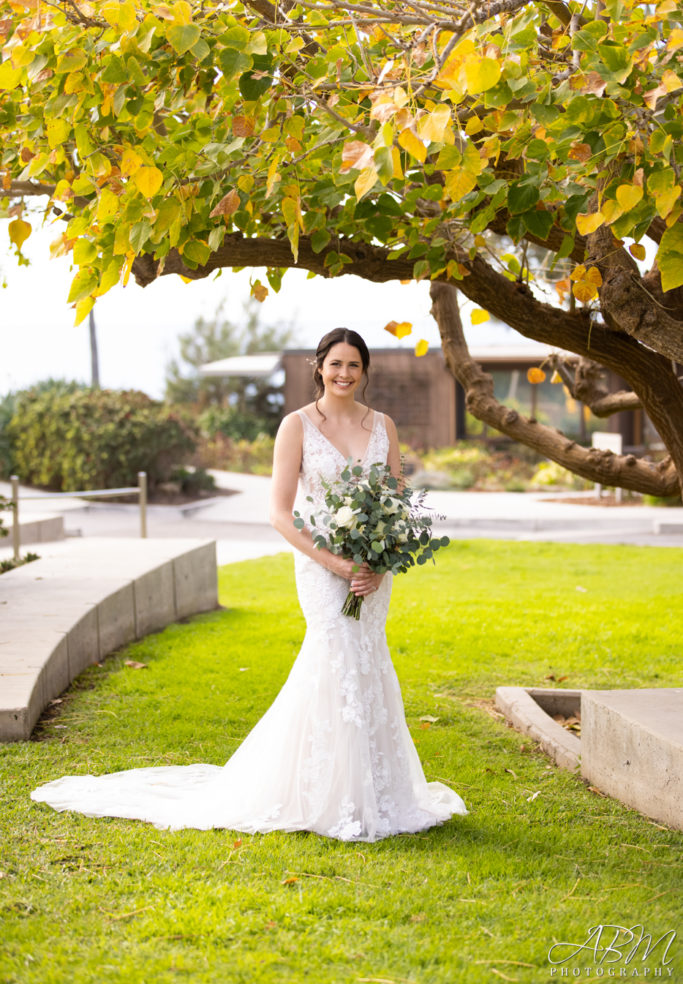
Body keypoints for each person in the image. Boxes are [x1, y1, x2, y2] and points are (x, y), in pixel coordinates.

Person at [31, 328, 468, 841]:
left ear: (365, 370)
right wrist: (335, 563)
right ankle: (329, 795)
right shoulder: (296, 425)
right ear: (319, 367)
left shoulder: (384, 426)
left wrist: (377, 562)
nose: (344, 373)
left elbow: (393, 503)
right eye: (335, 364)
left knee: (367, 658)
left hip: (371, 572)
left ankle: (378, 791)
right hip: (321, 564)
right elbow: (280, 514)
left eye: (354, 364)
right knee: (336, 656)